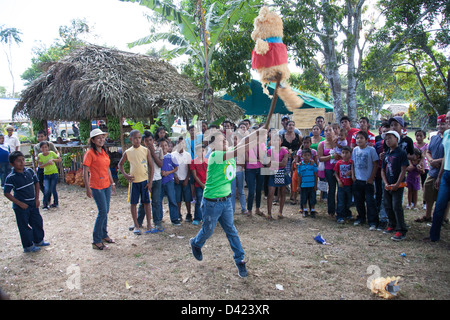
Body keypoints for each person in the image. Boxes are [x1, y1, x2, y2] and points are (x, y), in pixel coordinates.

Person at [189, 127, 266, 278]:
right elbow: (240, 150)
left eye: (224, 139)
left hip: (226, 202)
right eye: (220, 140)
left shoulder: (227, 150)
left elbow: (243, 141)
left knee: (231, 231)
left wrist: (257, 133)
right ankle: (196, 243)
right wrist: (257, 138)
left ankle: (240, 260)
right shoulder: (216, 155)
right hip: (212, 203)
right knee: (208, 231)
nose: (224, 141)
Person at [3, 151, 50, 252]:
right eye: (18, 161)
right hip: (21, 206)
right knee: (24, 226)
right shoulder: (11, 177)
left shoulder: (29, 171)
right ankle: (28, 246)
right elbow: (6, 193)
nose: (22, 162)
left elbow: (36, 183)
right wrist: (19, 203)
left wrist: (37, 199)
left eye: (23, 160)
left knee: (37, 222)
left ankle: (39, 240)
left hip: (33, 203)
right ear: (12, 164)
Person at [83, 129, 116, 250]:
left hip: (106, 185)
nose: (101, 140)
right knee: (102, 211)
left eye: (102, 137)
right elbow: (85, 171)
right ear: (92, 140)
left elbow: (107, 169)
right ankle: (96, 240)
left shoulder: (103, 152)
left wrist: (112, 183)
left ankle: (103, 234)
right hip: (96, 186)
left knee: (105, 211)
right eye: (98, 138)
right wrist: (87, 188)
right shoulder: (90, 153)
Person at [118, 130, 154, 235]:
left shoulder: (145, 150)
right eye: (135, 138)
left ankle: (149, 225)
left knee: (147, 203)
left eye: (139, 138)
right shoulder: (128, 152)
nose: (137, 140)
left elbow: (151, 166)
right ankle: (136, 225)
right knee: (133, 203)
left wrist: (150, 181)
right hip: (134, 183)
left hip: (144, 182)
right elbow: (120, 164)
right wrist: (125, 175)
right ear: (131, 139)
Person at [418, 114, 448, 223]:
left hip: (445, 171)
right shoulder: (434, 137)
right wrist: (431, 160)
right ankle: (427, 215)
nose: (440, 126)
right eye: (438, 124)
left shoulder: (448, 138)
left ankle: (444, 218)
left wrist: (438, 161)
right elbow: (428, 151)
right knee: (428, 191)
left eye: (443, 124)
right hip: (433, 171)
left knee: (444, 196)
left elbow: (448, 156)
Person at [426, 111, 450, 242]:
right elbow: (447, 157)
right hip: (446, 173)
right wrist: (440, 176)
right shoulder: (446, 134)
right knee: (439, 206)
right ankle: (434, 236)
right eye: (446, 118)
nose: (447, 121)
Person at [381, 130, 409, 241]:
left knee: (396, 206)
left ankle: (401, 229)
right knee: (388, 205)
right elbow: (383, 170)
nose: (387, 140)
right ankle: (392, 224)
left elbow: (403, 170)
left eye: (390, 138)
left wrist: (397, 183)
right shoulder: (387, 153)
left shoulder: (401, 153)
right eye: (386, 139)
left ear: (397, 139)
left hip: (398, 184)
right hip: (387, 184)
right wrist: (386, 183)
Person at [135, 131, 164, 232]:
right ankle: (138, 222)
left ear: (154, 140)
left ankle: (157, 222)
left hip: (157, 179)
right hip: (144, 179)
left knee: (156, 201)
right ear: (143, 142)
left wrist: (152, 152)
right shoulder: (141, 151)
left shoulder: (159, 150)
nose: (149, 142)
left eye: (150, 140)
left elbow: (160, 164)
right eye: (146, 141)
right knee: (144, 202)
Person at [351, 131, 379, 229]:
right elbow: (353, 163)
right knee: (359, 201)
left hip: (368, 181)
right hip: (358, 180)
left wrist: (371, 178)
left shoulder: (371, 150)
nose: (359, 140)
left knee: (370, 201)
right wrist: (353, 176)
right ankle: (361, 217)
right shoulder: (355, 150)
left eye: (361, 138)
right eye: (357, 138)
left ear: (366, 140)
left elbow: (376, 164)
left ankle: (373, 221)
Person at [266, 132, 290, 219]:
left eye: (277, 140)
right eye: (274, 140)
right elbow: (268, 164)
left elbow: (284, 163)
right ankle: (269, 213)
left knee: (282, 192)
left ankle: (280, 212)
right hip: (273, 173)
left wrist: (273, 163)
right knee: (271, 193)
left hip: (281, 172)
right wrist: (277, 163)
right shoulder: (269, 151)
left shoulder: (284, 151)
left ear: (281, 141)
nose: (276, 142)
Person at [318, 125, 341, 217]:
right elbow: (320, 158)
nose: (328, 132)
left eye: (330, 130)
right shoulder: (322, 144)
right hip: (328, 169)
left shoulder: (339, 142)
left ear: (334, 131)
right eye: (326, 131)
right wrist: (331, 156)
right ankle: (331, 210)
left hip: (340, 169)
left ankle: (341, 209)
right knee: (331, 189)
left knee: (341, 189)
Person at [158, 138, 181, 226]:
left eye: (165, 145)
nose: (164, 147)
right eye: (161, 145)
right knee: (158, 200)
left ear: (168, 147)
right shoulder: (156, 157)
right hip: (159, 182)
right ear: (158, 147)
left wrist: (168, 172)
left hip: (169, 181)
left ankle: (175, 219)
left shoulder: (171, 156)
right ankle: (159, 219)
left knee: (172, 199)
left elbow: (176, 168)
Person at [33, 130, 59, 199]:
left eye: (42, 136)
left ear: (45, 137)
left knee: (50, 184)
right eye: (38, 137)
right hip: (41, 167)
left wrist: (56, 157)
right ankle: (46, 195)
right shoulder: (36, 146)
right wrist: (37, 158)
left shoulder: (50, 144)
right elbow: (36, 156)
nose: (40, 138)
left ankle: (47, 197)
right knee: (39, 182)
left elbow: (57, 152)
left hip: (50, 167)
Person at [172, 138, 193, 222]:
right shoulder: (173, 155)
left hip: (185, 179)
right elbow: (171, 167)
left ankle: (189, 214)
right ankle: (178, 214)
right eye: (178, 143)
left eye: (182, 143)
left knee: (188, 198)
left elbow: (189, 168)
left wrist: (187, 179)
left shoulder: (187, 155)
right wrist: (174, 176)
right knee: (178, 198)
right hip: (176, 180)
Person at [38, 141, 61, 210]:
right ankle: (45, 204)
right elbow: (40, 166)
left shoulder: (52, 153)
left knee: (53, 189)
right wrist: (47, 163)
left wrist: (53, 159)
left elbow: (59, 159)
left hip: (54, 173)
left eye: (46, 147)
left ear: (48, 147)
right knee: (46, 189)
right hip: (46, 174)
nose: (44, 149)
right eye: (42, 147)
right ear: (40, 148)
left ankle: (56, 203)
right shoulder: (40, 156)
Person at [334, 146, 353, 224]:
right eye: (343, 153)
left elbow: (354, 171)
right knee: (341, 201)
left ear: (350, 154)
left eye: (347, 153)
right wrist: (339, 181)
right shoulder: (339, 163)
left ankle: (347, 213)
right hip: (341, 185)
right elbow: (335, 173)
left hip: (350, 184)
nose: (345, 155)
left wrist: (351, 172)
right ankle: (340, 216)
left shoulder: (352, 163)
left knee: (349, 201)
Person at [190, 144, 208, 225]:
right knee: (199, 201)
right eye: (200, 151)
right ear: (196, 152)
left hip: (208, 185)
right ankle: (197, 218)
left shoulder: (208, 161)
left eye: (203, 151)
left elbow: (210, 174)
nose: (202, 152)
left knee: (208, 202)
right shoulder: (193, 162)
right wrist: (201, 184)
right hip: (198, 185)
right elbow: (194, 175)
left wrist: (207, 184)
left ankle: (206, 218)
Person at [297, 148, 318, 217]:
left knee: (312, 198)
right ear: (302, 156)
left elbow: (315, 175)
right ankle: (305, 210)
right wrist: (298, 186)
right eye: (305, 155)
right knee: (303, 198)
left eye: (308, 155)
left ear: (311, 156)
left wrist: (315, 185)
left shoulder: (313, 164)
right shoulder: (300, 165)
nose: (306, 157)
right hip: (303, 185)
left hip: (312, 184)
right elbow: (299, 176)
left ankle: (312, 210)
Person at [231, 131, 248, 215]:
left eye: (236, 139)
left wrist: (235, 163)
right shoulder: (229, 149)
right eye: (233, 139)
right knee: (232, 191)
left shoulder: (242, 150)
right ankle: (232, 209)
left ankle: (243, 208)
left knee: (241, 191)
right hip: (231, 173)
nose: (235, 141)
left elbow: (244, 162)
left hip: (240, 172)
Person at [413, 129, 429, 210]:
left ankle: (425, 203)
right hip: (414, 167)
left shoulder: (426, 145)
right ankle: (412, 202)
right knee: (413, 185)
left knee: (424, 185)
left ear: (424, 137)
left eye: (420, 136)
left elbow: (423, 155)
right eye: (417, 136)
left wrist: (420, 164)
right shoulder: (413, 144)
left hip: (424, 167)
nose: (418, 137)